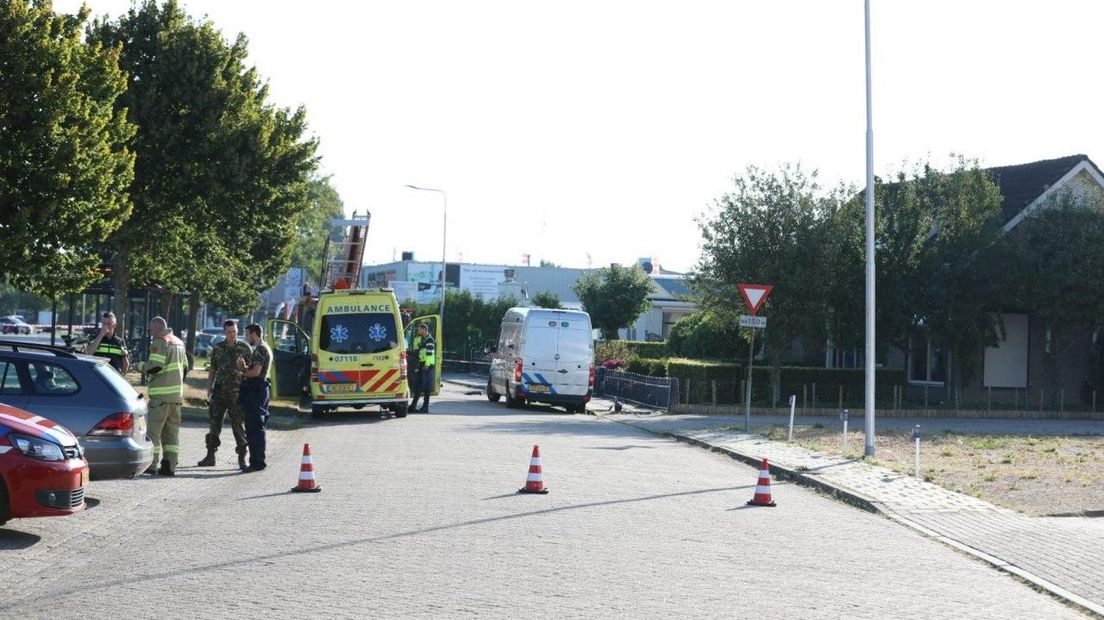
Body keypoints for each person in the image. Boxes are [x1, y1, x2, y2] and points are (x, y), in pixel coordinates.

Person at [197, 320, 252, 470]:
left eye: (234, 332)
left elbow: (251, 370)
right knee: (214, 424)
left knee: (237, 426)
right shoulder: (218, 348)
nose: (232, 335)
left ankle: (242, 457)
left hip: (237, 394)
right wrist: (209, 388)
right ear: (224, 332)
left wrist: (244, 368)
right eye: (229, 332)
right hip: (220, 392)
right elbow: (213, 370)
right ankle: (210, 455)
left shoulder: (244, 348)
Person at [144, 316, 186, 476]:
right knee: (171, 434)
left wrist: (141, 366)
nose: (149, 332)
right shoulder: (178, 342)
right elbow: (186, 367)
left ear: (159, 327)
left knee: (153, 433)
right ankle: (170, 465)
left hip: (160, 398)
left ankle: (151, 465)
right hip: (176, 398)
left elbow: (155, 366)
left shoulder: (160, 341)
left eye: (150, 329)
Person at [237, 323, 272, 472]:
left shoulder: (260, 349)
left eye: (247, 335)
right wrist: (245, 367)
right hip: (260, 389)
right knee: (256, 427)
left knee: (254, 428)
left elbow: (256, 372)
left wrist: (242, 371)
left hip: (256, 390)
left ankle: (257, 462)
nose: (246, 338)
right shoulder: (264, 347)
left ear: (254, 334)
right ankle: (257, 461)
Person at [409, 323, 436, 413]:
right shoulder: (422, 339)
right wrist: (417, 338)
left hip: (427, 366)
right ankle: (413, 405)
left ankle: (425, 407)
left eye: (419, 330)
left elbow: (429, 353)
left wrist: (427, 365)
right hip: (422, 364)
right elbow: (416, 348)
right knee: (418, 386)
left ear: (424, 329)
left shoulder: (429, 339)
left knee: (426, 387)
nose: (418, 331)